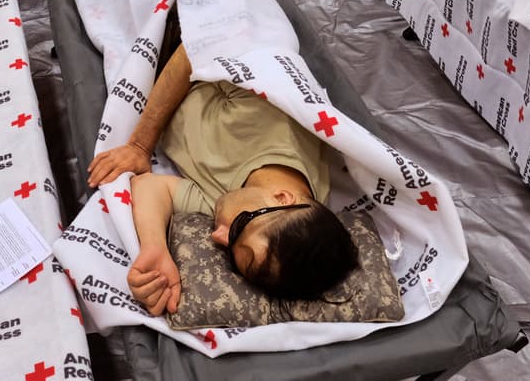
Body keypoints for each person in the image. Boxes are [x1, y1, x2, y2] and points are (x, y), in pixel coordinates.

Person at [87, 39, 358, 316]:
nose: (217, 236)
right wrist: (141, 145)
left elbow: (150, 187)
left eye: (230, 249)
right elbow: (200, 42)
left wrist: (154, 248)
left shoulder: (241, 208)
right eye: (238, 229)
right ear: (282, 198)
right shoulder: (270, 117)